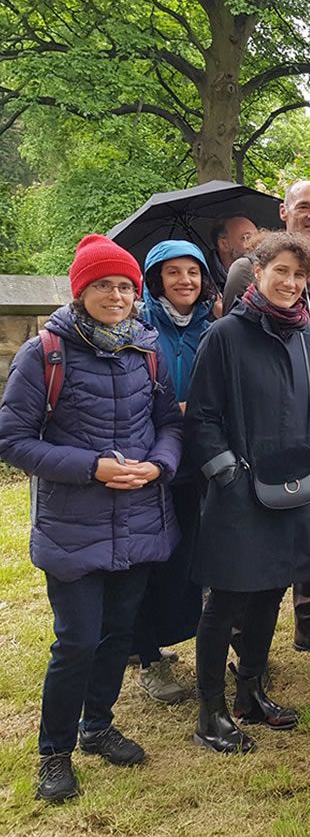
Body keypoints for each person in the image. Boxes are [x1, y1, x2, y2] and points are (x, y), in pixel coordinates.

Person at [0, 234, 183, 802]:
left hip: (139, 515)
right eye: (103, 284)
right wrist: (93, 468)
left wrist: (158, 466)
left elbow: (170, 424)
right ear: (81, 291)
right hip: (74, 522)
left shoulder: (146, 350)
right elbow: (13, 440)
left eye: (125, 286)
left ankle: (97, 726)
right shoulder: (45, 353)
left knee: (117, 634)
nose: (116, 294)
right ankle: (53, 752)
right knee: (75, 640)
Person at [187, 231, 310, 754]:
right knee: (227, 600)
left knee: (273, 591)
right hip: (240, 494)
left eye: (300, 275)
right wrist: (227, 475)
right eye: (282, 272)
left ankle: (250, 691)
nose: (291, 283)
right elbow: (201, 417)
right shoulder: (225, 335)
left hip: (297, 490)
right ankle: (211, 712)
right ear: (259, 271)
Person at [223, 180, 310, 666]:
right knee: (256, 527)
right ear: (284, 211)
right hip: (266, 423)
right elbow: (243, 341)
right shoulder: (249, 267)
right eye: (305, 207)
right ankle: (243, 635)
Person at [130, 240, 216, 705]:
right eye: (173, 273)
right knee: (149, 560)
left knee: (187, 558)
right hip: (149, 459)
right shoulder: (137, 326)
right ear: (156, 279)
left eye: (194, 272)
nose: (185, 281)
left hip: (196, 460)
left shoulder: (211, 327)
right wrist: (171, 410)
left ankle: (171, 634)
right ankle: (148, 657)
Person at [209, 216, 256, 315]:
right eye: (247, 237)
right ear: (224, 244)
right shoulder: (203, 280)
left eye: (257, 237)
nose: (256, 244)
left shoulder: (262, 273)